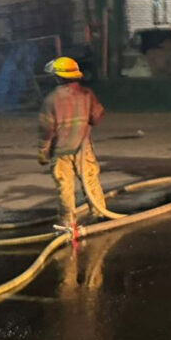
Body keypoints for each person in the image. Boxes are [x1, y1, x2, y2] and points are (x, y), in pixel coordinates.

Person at [38, 57, 111, 232]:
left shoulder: (51, 100)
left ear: (58, 77)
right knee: (91, 180)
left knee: (65, 187)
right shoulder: (87, 94)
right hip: (83, 148)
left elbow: (47, 130)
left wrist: (43, 151)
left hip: (60, 151)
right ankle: (100, 215)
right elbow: (97, 116)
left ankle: (68, 224)